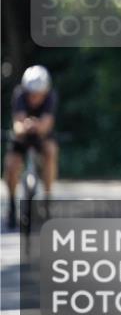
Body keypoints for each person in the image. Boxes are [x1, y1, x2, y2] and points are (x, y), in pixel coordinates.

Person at [5, 65, 59, 229]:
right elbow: (18, 125)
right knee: (11, 165)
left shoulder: (51, 97)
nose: (34, 98)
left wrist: (36, 126)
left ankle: (47, 199)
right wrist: (25, 126)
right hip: (21, 137)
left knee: (50, 152)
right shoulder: (19, 95)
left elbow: (47, 123)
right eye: (31, 94)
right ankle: (12, 203)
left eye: (38, 94)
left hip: (42, 137)